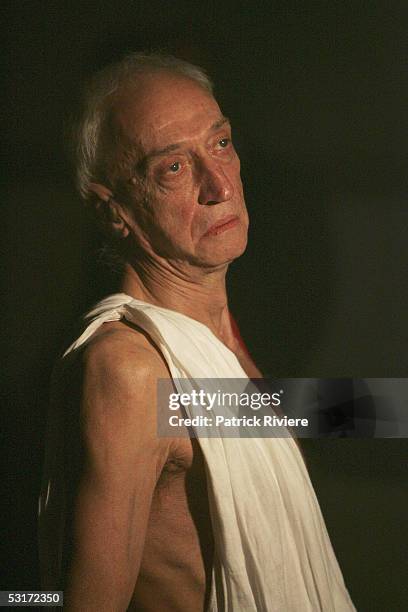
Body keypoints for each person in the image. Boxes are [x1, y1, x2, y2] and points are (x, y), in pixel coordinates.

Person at [38, 53, 355, 611]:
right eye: (174, 168)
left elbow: (271, 420)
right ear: (115, 211)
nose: (219, 185)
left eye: (221, 143)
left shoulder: (218, 339)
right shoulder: (131, 372)